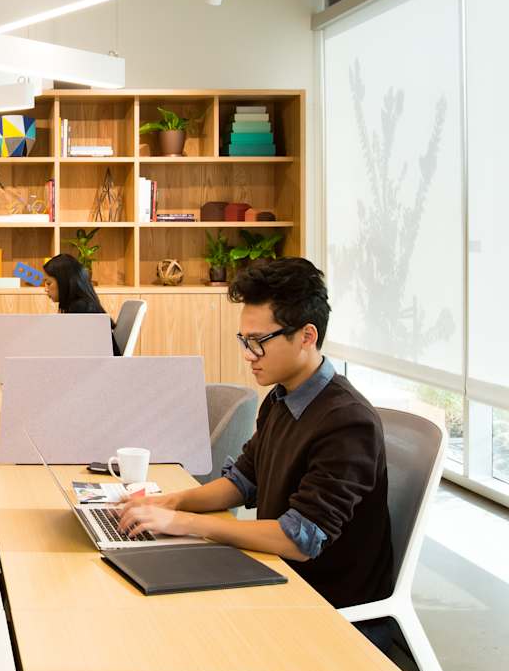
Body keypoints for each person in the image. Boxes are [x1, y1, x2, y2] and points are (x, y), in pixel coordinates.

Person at [117, 258, 394, 614]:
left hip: (317, 600)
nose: (249, 355)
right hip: (272, 569)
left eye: (259, 341)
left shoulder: (348, 423)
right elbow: (242, 482)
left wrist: (185, 522)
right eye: (244, 341)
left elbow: (298, 540)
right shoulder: (281, 398)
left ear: (307, 336)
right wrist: (169, 503)